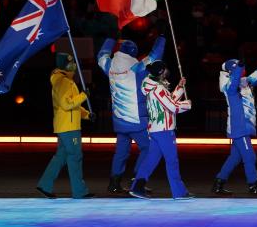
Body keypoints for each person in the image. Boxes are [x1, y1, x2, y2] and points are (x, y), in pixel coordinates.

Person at [97, 36, 165, 194]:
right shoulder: (136, 68)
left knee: (121, 152)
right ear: (133, 52)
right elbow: (155, 56)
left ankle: (114, 183)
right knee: (149, 148)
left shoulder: (109, 65)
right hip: (135, 120)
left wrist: (110, 39)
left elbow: (101, 55)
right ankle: (137, 181)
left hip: (119, 120)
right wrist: (161, 38)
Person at [128, 60, 193, 200]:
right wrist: (187, 105)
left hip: (156, 129)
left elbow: (169, 100)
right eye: (165, 70)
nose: (167, 71)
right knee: (172, 161)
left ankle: (137, 187)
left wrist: (180, 87)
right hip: (164, 130)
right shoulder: (158, 88)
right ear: (161, 72)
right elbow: (173, 107)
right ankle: (179, 192)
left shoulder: (153, 86)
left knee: (151, 160)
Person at [36, 53, 95, 199]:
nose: (73, 66)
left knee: (61, 156)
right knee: (75, 156)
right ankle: (79, 191)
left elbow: (71, 104)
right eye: (69, 64)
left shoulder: (64, 80)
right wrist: (83, 96)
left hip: (65, 126)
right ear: (63, 66)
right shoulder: (62, 81)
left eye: (73, 63)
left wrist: (86, 114)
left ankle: (45, 185)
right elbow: (66, 104)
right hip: (69, 127)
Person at [212, 59, 257, 196]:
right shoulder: (230, 87)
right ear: (232, 71)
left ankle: (218, 183)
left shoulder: (244, 82)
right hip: (240, 127)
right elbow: (234, 80)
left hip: (242, 126)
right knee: (249, 157)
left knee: (235, 157)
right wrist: (238, 67)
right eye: (239, 68)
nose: (243, 70)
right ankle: (253, 185)